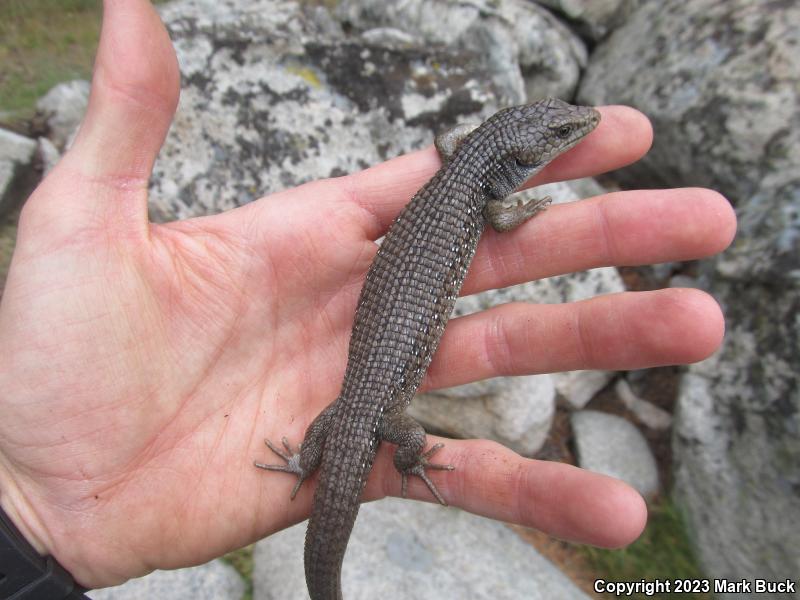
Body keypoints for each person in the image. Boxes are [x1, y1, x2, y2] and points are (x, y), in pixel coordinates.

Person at [0, 0, 736, 591]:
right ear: (515, 158)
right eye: (562, 135)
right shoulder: (489, 200)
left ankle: (310, 489)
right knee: (387, 448)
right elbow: (504, 213)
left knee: (349, 454)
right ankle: (377, 478)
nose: (576, 134)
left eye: (568, 129)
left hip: (359, 400)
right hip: (365, 411)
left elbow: (460, 149)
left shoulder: (460, 161)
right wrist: (406, 454)